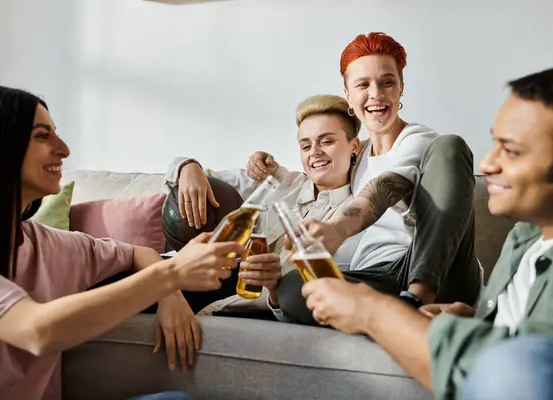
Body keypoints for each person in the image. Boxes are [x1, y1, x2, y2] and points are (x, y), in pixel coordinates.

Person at [0, 86, 245, 400]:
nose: (64, 149)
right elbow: (37, 331)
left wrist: (170, 295)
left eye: (56, 133)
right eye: (42, 135)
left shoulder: (49, 244)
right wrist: (171, 274)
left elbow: (136, 252)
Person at [301, 67, 553, 400]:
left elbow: (520, 380)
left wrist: (374, 312)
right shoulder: (523, 240)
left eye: (511, 150)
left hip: (416, 268)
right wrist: (479, 320)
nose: (488, 164)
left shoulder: (418, 141)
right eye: (495, 144)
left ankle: (416, 297)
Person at [278, 32, 481, 324]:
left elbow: (383, 188)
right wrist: (266, 165)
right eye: (363, 84)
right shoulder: (356, 153)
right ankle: (386, 316)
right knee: (292, 289)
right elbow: (318, 172)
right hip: (375, 279)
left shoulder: (418, 140)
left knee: (451, 146)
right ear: (348, 95)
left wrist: (336, 228)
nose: (376, 94)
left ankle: (416, 303)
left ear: (400, 89)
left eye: (387, 82)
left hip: (435, 272)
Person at [164, 94, 361, 312]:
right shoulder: (277, 180)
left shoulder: (354, 219)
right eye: (306, 146)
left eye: (326, 141)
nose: (315, 152)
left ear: (355, 146)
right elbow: (206, 181)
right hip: (188, 272)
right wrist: (187, 167)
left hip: (230, 301)